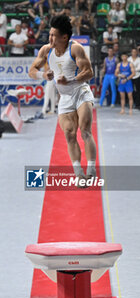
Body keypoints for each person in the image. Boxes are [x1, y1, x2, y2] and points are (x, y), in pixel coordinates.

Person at [29, 15, 96, 182]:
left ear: (64, 37)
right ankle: (78, 172)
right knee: (69, 134)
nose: (50, 38)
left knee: (85, 129)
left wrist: (71, 80)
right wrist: (43, 74)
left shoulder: (75, 49)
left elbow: (89, 72)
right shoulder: (46, 50)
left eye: (53, 35)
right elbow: (31, 70)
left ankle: (92, 168)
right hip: (65, 97)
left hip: (81, 92)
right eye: (49, 34)